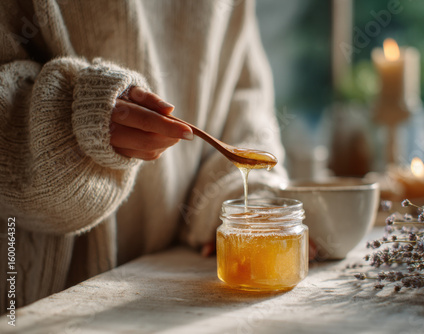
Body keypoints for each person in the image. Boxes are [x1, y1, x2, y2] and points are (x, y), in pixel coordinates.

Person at [0, 0, 287, 310]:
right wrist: (71, 120)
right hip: (36, 293)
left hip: (171, 282)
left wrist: (250, 203)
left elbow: (243, 98)